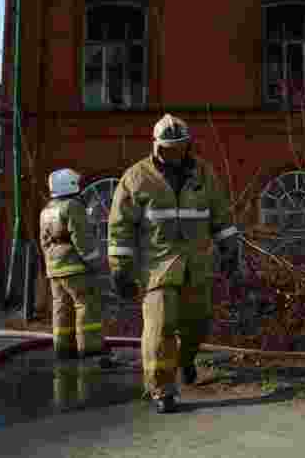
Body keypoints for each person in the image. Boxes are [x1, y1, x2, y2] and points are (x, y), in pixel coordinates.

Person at [107, 114, 242, 413]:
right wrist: (119, 268)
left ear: (188, 145)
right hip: (157, 268)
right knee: (161, 326)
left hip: (198, 265)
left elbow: (221, 216)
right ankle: (161, 389)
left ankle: (185, 361)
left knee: (198, 324)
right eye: (168, 148)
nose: (174, 153)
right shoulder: (136, 178)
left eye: (179, 147)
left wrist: (230, 250)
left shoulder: (204, 175)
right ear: (156, 146)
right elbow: (120, 228)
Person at [39, 168, 108, 361]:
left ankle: (63, 349)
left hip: (54, 270)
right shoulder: (72, 207)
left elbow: (43, 241)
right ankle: (90, 348)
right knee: (87, 305)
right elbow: (82, 239)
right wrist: (96, 262)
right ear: (71, 185)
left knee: (61, 308)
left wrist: (51, 264)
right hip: (75, 268)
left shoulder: (46, 210)